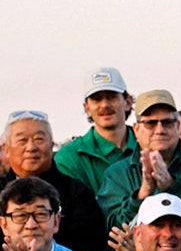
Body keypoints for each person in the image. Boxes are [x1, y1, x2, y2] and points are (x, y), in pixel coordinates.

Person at [0, 110, 106, 251]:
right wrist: (9, 232)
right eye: (22, 140)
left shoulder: (76, 191)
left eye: (39, 139)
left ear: (51, 145)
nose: (31, 147)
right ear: (6, 148)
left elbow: (93, 240)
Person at [98, 90, 181, 251]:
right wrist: (142, 194)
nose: (160, 130)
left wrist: (172, 185)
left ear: (177, 126)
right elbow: (112, 230)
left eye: (167, 122)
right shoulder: (117, 173)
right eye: (150, 123)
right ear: (136, 129)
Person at [53, 67, 138, 201]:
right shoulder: (69, 157)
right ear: (87, 108)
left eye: (111, 97)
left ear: (127, 102)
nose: (104, 105)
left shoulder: (150, 147)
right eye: (96, 99)